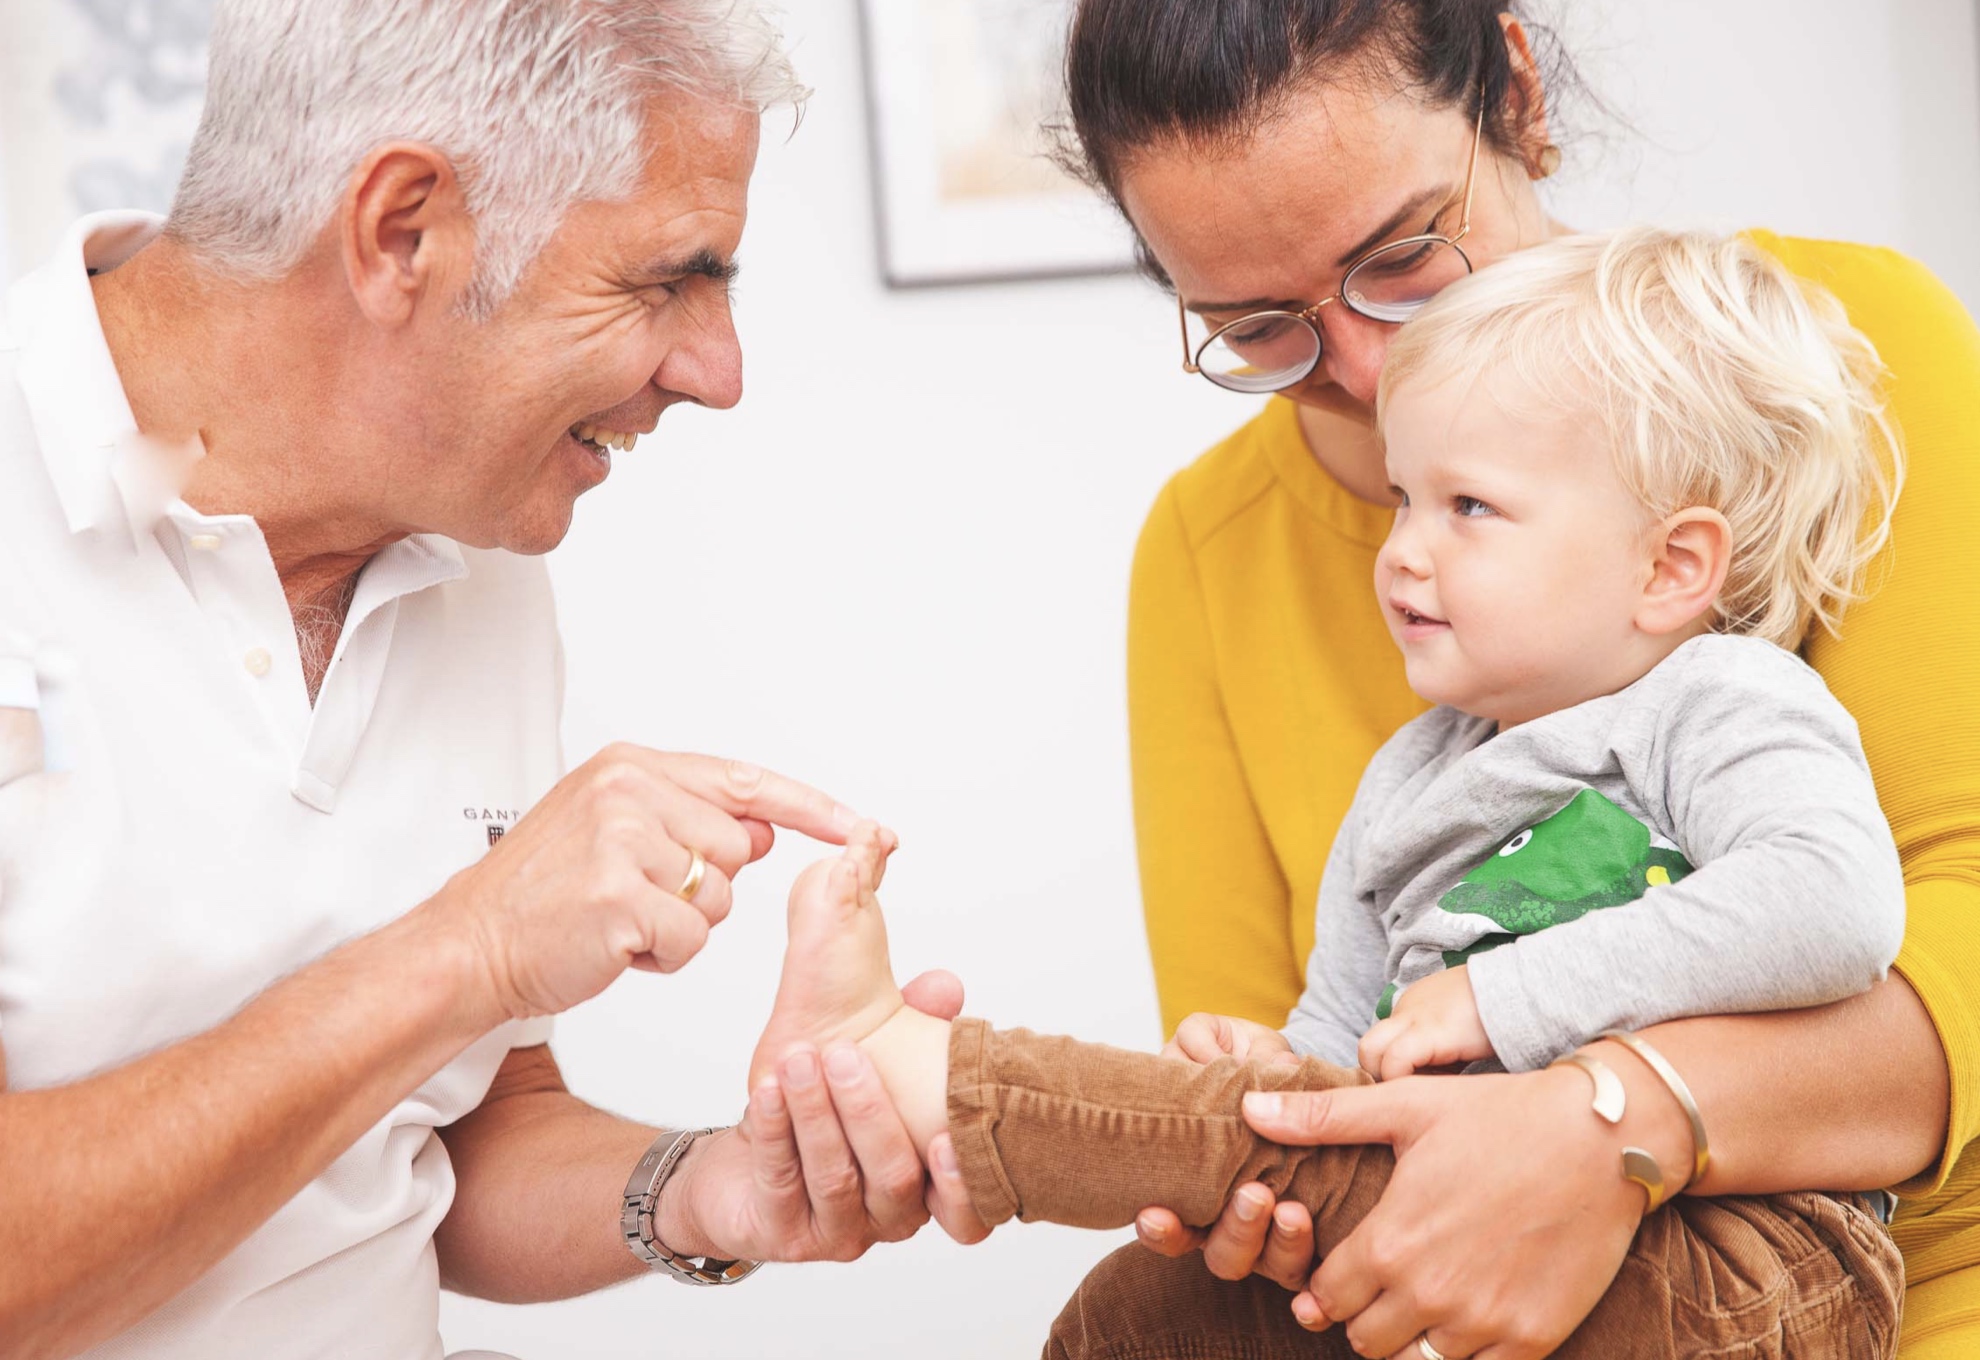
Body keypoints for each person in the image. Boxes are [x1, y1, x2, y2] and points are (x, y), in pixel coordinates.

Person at [0, 2, 984, 1355]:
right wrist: (467, 948)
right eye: (665, 281)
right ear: (404, 230)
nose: (719, 372)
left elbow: (445, 1143)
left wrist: (714, 1189)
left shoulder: (472, 546)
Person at [747, 226, 1910, 1360]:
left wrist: (1504, 1000)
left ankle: (937, 1083)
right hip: (1468, 1224)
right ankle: (990, 1108)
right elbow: (1348, 1044)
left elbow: (1833, 901)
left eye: (1470, 508)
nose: (1403, 550)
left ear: (1670, 566)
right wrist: (1270, 1069)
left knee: (1247, 1156)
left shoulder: (1718, 701)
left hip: (1751, 1257)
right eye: (1404, 498)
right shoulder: (1411, 776)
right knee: (1143, 1310)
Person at [1057, 3, 1980, 1354]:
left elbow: (1952, 919)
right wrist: (1260, 1137)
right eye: (1260, 328)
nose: (1369, 374)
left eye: (1400, 254)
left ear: (1517, 94)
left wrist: (1619, 1114)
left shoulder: (1845, 359)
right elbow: (1306, 1046)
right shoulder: (1204, 555)